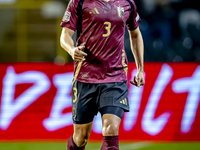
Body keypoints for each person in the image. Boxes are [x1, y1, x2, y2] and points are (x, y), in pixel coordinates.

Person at [60, 0, 144, 149]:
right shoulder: (79, 2)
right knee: (81, 138)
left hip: (115, 76)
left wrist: (140, 69)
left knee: (111, 129)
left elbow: (135, 34)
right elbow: (65, 35)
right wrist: (71, 50)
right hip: (86, 76)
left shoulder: (127, 3)